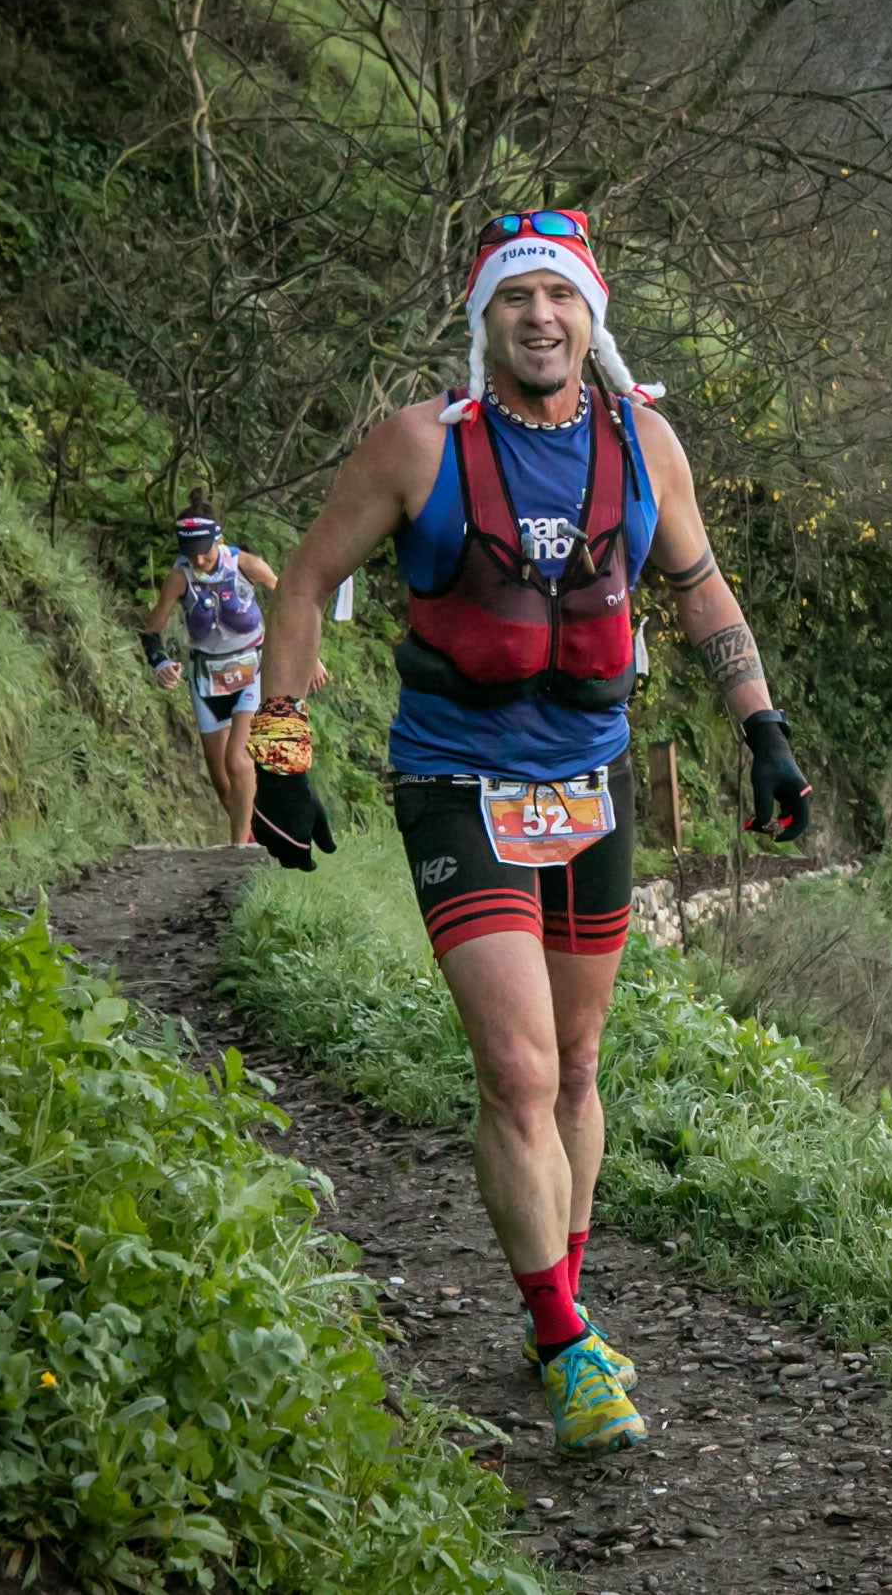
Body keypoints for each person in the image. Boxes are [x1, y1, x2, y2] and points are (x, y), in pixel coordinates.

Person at [244, 209, 813, 1456]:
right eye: (516, 298)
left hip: (591, 782)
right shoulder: (420, 446)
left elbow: (700, 586)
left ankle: (564, 1298)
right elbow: (304, 579)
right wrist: (280, 756)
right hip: (457, 779)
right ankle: (563, 1345)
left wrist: (763, 728)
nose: (540, 317)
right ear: (484, 320)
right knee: (519, 1070)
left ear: (590, 316)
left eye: (560, 296)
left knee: (581, 1064)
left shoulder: (643, 442)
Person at [138, 494, 325, 846]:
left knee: (239, 760)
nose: (198, 559)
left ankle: (239, 851)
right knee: (224, 783)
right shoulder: (178, 578)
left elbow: (293, 602)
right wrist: (160, 662)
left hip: (251, 668)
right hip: (206, 678)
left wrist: (308, 654)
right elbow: (151, 632)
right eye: (190, 552)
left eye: (204, 551)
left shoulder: (247, 565)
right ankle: (259, 838)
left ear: (219, 540)